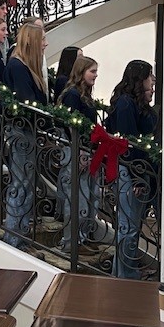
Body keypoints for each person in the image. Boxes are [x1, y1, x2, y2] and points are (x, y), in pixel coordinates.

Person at [105, 60, 158, 279]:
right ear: (139, 77)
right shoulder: (126, 103)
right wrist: (137, 177)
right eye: (149, 75)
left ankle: (127, 271)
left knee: (133, 225)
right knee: (128, 225)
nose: (152, 80)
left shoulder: (135, 102)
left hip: (138, 169)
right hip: (130, 170)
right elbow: (129, 143)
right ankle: (124, 275)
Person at [2, 23, 48, 255]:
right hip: (22, 131)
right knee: (21, 185)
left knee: (26, 185)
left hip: (27, 131)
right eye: (42, 39)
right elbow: (27, 102)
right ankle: (14, 239)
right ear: (32, 41)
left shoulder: (23, 66)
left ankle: (20, 236)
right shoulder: (18, 66)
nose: (46, 44)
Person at [57, 56, 100, 255]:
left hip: (86, 150)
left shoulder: (84, 94)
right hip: (76, 151)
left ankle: (83, 236)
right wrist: (80, 151)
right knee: (77, 198)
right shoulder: (72, 94)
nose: (96, 75)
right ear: (82, 72)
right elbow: (71, 124)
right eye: (92, 71)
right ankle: (71, 241)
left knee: (88, 197)